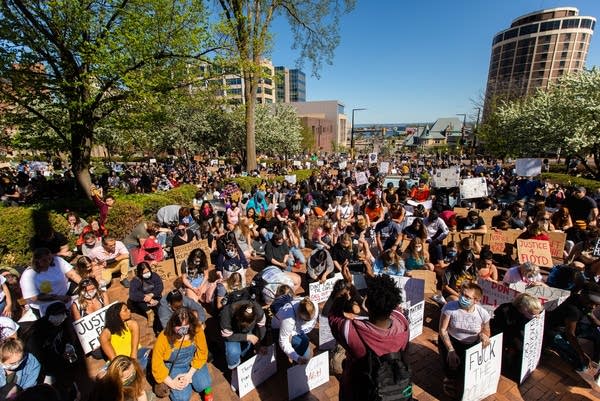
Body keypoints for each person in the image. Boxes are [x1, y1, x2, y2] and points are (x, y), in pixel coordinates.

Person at [327, 266, 410, 401]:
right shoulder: (402, 322)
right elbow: (388, 300)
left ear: (367, 304)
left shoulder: (352, 333)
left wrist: (343, 291)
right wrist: (361, 285)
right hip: (393, 387)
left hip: (357, 391)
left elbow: (333, 317)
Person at [438, 282, 491, 398]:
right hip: (452, 341)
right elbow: (442, 330)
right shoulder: (450, 307)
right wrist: (451, 350)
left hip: (471, 344)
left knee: (465, 370)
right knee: (451, 364)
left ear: (476, 300)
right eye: (461, 294)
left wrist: (484, 335)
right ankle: (449, 378)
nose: (462, 298)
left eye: (467, 297)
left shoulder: (483, 314)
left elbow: (487, 331)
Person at [151, 307, 213, 401]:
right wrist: (171, 382)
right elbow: (156, 364)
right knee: (182, 397)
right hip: (174, 365)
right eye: (179, 326)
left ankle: (208, 393)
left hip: (193, 361)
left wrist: (189, 375)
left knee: (205, 384)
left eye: (185, 326)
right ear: (172, 324)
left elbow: (202, 351)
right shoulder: (163, 337)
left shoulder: (197, 329)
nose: (182, 330)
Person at [545, 282, 600, 371]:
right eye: (591, 302)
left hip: (567, 329)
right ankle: (551, 345)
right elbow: (570, 334)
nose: (594, 306)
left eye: (597, 304)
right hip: (553, 331)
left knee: (597, 334)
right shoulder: (573, 310)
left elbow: (593, 319)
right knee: (582, 366)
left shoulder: (584, 303)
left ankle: (596, 361)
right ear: (583, 295)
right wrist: (582, 354)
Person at [490, 293, 544, 380]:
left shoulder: (526, 312)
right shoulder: (506, 310)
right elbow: (507, 329)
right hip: (501, 333)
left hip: (514, 334)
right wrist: (515, 341)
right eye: (531, 313)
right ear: (522, 307)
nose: (533, 316)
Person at [20, 248, 81, 317]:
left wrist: (84, 284)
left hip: (65, 293)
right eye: (44, 260)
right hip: (46, 303)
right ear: (37, 261)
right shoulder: (28, 275)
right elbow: (33, 297)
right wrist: (58, 298)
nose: (48, 262)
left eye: (50, 259)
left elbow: (72, 274)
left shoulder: (57, 261)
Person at [99, 302, 149, 370]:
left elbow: (134, 349)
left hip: (137, 353)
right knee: (101, 376)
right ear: (116, 315)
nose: (129, 310)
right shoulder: (105, 334)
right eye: (125, 310)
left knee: (151, 356)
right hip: (119, 361)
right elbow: (114, 359)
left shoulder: (132, 324)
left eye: (128, 308)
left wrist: (133, 362)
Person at [219, 299, 266, 370]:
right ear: (237, 317)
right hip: (232, 332)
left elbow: (261, 327)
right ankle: (235, 367)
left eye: (250, 324)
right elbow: (227, 336)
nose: (247, 327)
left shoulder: (259, 311)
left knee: (247, 348)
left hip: (246, 333)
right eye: (245, 325)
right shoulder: (226, 314)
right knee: (233, 352)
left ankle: (245, 357)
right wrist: (246, 337)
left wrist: (261, 343)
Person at [272, 297, 319, 364]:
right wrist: (297, 358)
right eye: (305, 320)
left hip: (296, 329)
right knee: (304, 352)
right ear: (298, 313)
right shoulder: (288, 318)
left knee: (305, 341)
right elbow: (283, 341)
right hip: (279, 329)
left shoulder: (314, 305)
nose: (307, 322)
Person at [128, 262, 163, 328]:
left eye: (148, 271)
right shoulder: (136, 280)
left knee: (160, 310)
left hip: (155, 297)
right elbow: (132, 294)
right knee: (137, 300)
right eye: (144, 273)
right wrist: (146, 298)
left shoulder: (154, 275)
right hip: (144, 300)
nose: (146, 274)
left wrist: (152, 295)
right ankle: (149, 312)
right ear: (140, 273)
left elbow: (160, 286)